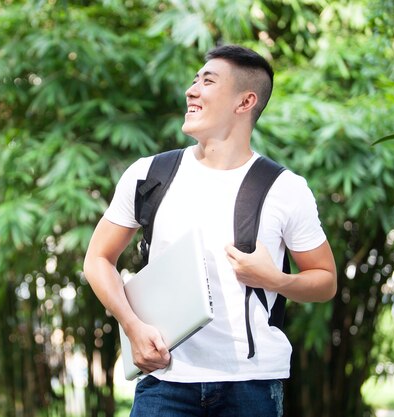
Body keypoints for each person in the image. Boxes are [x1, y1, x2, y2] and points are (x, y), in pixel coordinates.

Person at [83, 44, 337, 416]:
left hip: (252, 384)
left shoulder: (284, 187)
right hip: (164, 380)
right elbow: (97, 259)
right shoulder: (148, 175)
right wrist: (133, 327)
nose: (192, 90)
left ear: (245, 101)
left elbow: (326, 280)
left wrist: (274, 279)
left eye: (208, 81)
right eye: (194, 80)